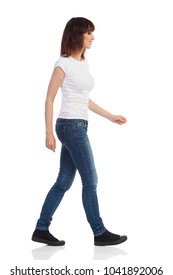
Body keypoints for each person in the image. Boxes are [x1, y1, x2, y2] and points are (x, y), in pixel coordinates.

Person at [32, 17, 127, 246]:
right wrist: (48, 133)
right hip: (70, 127)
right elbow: (49, 99)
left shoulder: (83, 63)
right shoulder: (62, 63)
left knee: (64, 181)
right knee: (91, 180)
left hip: (77, 125)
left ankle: (41, 228)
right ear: (77, 34)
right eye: (89, 33)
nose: (93, 37)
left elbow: (84, 100)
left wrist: (110, 115)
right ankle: (99, 232)